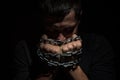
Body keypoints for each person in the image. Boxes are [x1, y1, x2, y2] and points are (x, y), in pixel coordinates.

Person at [12, 0, 115, 80]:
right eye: (52, 31)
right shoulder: (24, 48)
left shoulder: (98, 45)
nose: (60, 39)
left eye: (68, 30)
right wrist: (50, 65)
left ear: (78, 20)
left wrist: (70, 62)